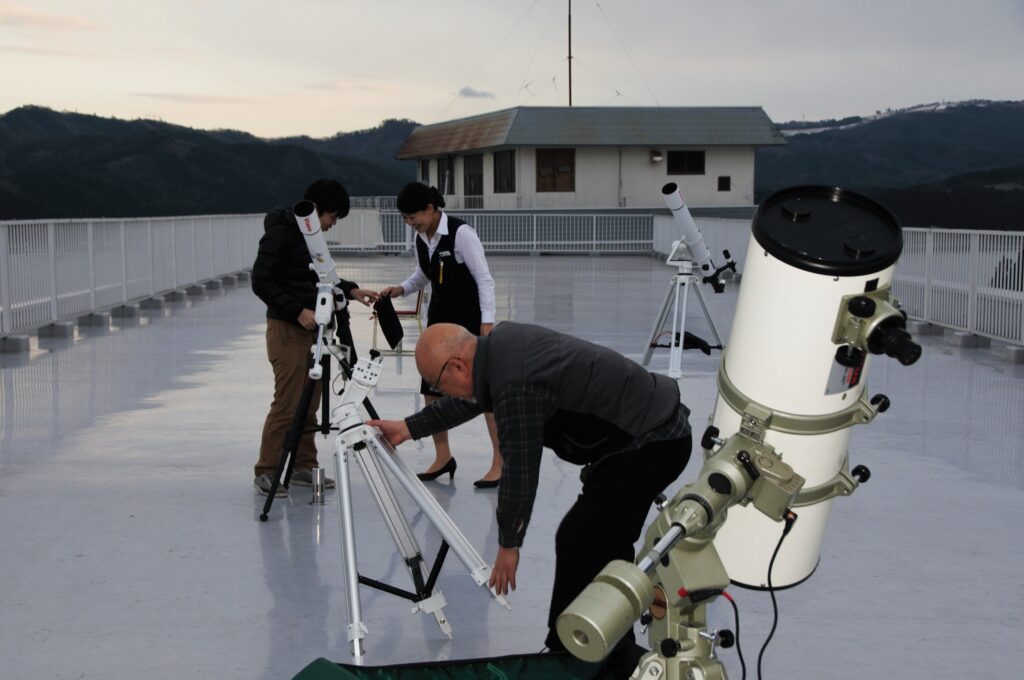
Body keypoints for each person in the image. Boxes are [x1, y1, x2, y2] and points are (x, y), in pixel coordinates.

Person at [368, 321, 693, 652]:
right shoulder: (497, 347)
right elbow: (471, 399)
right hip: (648, 428)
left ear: (457, 366)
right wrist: (408, 428)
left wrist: (509, 544)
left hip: (653, 441)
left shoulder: (515, 386)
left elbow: (520, 470)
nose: (440, 392)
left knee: (582, 538)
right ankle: (605, 646)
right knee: (601, 540)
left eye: (438, 384)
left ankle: (572, 650)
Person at [251, 178, 379, 497]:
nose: (332, 225)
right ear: (319, 210)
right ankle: (267, 470)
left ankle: (302, 466)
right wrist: (296, 311)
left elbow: (320, 277)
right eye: (332, 218)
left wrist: (350, 290)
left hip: (315, 330)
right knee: (289, 400)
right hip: (287, 329)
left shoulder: (310, 237)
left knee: (310, 401)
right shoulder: (282, 233)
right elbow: (261, 280)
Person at [378, 183, 503, 488]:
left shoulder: (461, 234)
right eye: (406, 219)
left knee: (485, 394)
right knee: (432, 390)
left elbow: (484, 279)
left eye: (413, 217)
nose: (410, 223)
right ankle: (443, 456)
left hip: (469, 325)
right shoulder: (422, 237)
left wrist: (487, 323)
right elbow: (424, 273)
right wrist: (402, 288)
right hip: (439, 325)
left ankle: (501, 462)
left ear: (431, 209)